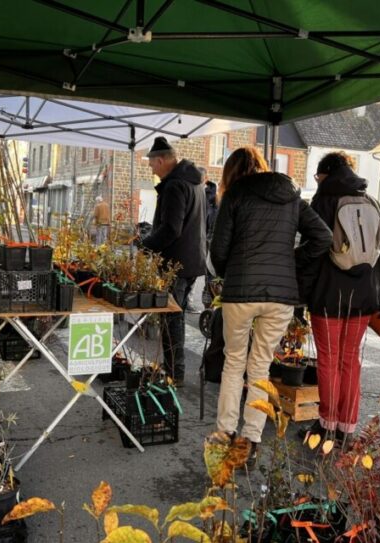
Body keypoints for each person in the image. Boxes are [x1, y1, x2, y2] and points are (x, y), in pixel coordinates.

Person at [210, 147, 331, 464]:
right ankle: (251, 440)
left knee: (234, 363)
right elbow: (322, 236)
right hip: (280, 297)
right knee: (260, 366)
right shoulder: (291, 196)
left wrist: (230, 272)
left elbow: (219, 248)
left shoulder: (236, 193)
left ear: (232, 172)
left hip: (241, 293)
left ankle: (225, 435)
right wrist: (289, 263)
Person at [300, 152, 380, 446]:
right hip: (363, 296)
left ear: (325, 174)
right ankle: (347, 427)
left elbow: (312, 252)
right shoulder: (373, 203)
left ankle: (327, 425)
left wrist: (300, 294)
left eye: (318, 177)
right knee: (350, 361)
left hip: (328, 296)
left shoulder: (323, 203)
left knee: (328, 360)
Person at [140, 137, 206, 386]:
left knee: (172, 318)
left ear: (161, 160)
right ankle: (173, 370)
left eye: (151, 163)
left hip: (177, 263)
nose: (151, 168)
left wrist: (145, 244)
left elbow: (170, 229)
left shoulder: (175, 186)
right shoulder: (193, 182)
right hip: (192, 259)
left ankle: (174, 374)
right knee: (174, 316)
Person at [201, 167, 218, 307]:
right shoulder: (208, 197)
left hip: (212, 239)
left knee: (213, 274)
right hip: (207, 238)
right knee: (209, 274)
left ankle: (210, 300)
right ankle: (208, 296)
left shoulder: (213, 199)